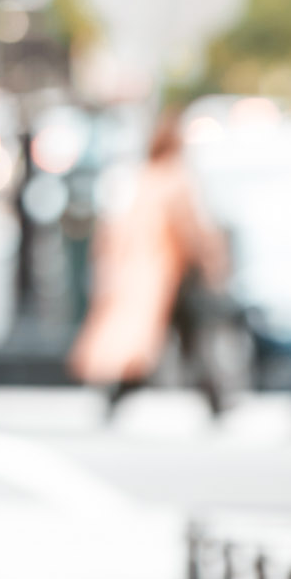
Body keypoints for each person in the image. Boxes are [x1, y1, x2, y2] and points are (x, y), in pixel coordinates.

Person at [69, 105, 232, 415]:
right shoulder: (176, 178)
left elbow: (117, 228)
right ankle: (211, 398)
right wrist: (212, 262)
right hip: (170, 273)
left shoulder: (144, 177)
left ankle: (209, 398)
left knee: (165, 339)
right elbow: (192, 228)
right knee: (178, 339)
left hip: (145, 272)